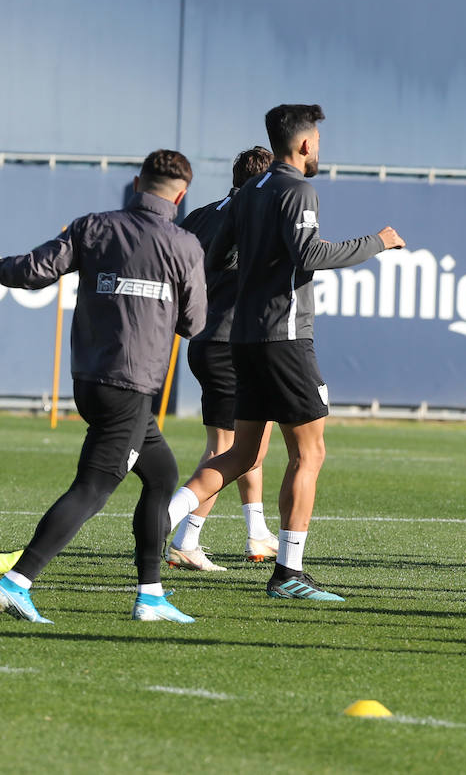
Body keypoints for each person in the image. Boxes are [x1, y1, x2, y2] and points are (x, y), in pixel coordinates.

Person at [164, 104, 405, 602]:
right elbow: (310, 253)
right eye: (317, 138)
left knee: (242, 453)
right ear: (304, 144)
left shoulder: (247, 192)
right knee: (309, 451)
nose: (319, 147)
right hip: (285, 338)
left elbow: (214, 258)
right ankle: (289, 573)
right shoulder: (298, 190)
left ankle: (161, 518)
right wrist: (376, 242)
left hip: (245, 340)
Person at [0, 150, 206, 623]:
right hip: (132, 386)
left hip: (90, 380)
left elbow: (33, 271)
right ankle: (17, 581)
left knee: (161, 476)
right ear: (182, 194)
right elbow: (194, 323)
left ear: (136, 183)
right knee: (93, 488)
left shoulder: (93, 226)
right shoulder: (184, 244)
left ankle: (151, 594)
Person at [167, 146, 280, 572]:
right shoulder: (253, 219)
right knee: (231, 449)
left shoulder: (202, 214)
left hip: (205, 339)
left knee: (249, 443)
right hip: (236, 342)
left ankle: (257, 532)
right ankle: (182, 533)